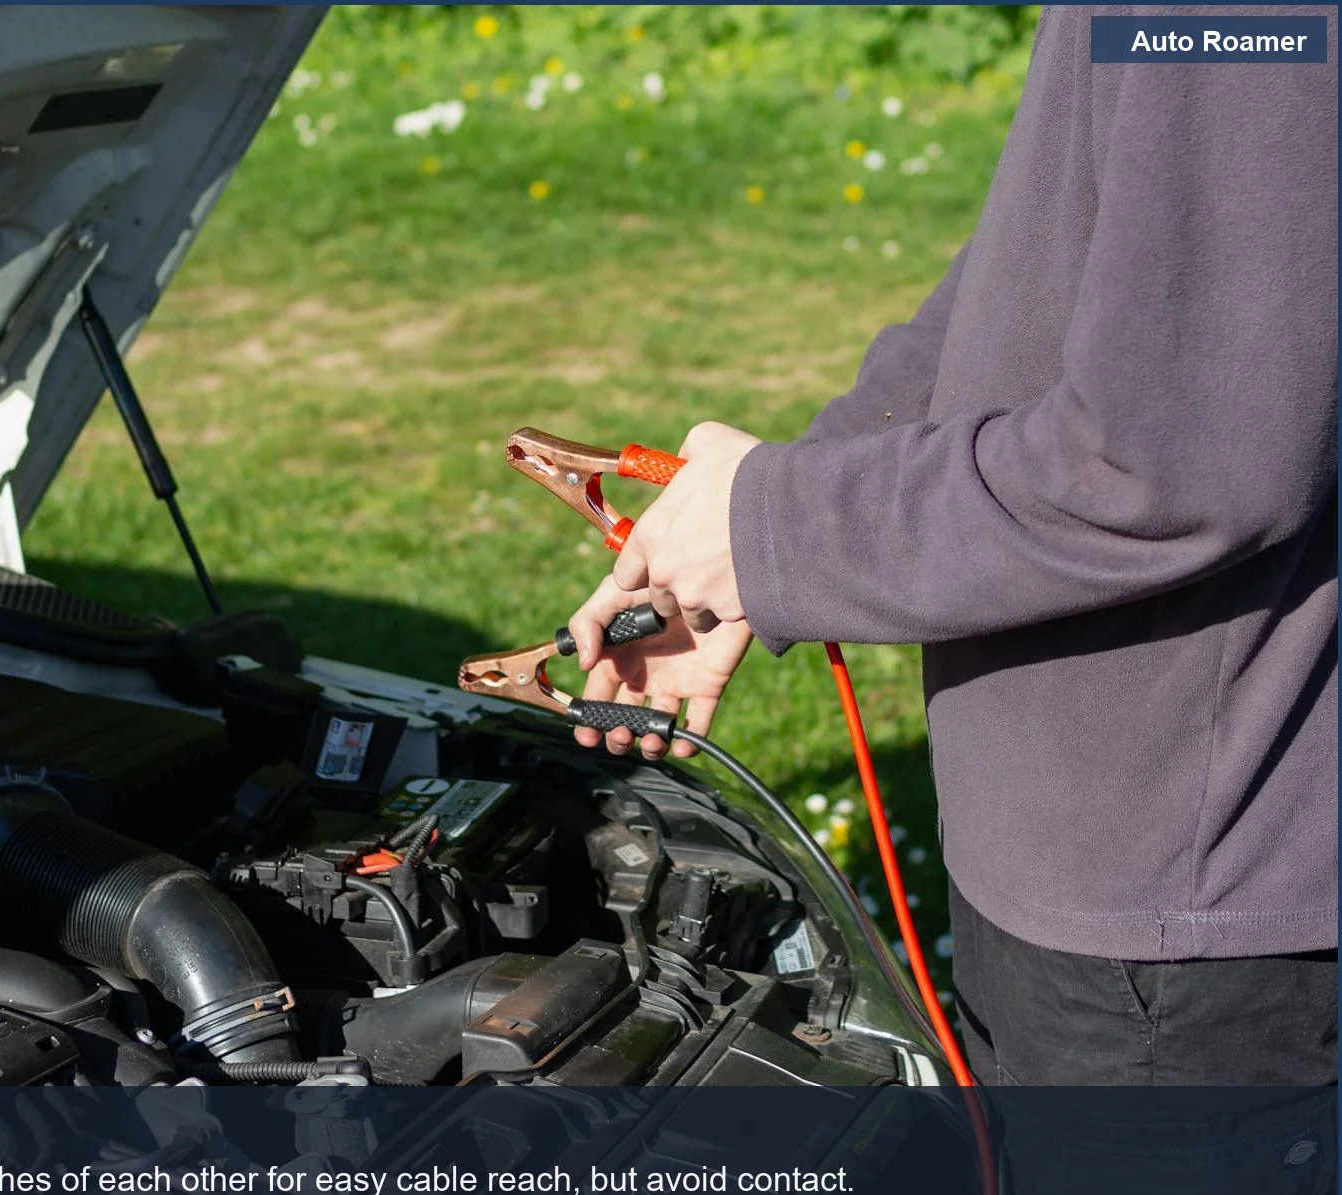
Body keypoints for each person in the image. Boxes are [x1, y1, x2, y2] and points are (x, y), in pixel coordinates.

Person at [564, 5, 1338, 1089]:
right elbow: (1048, 257)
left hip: (1180, 936)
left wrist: (782, 526)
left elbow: (1168, 466)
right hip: (1080, 879)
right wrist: (779, 521)